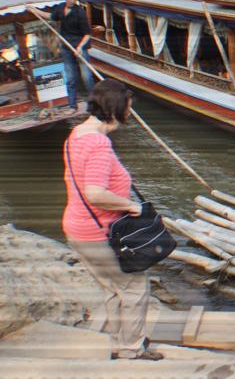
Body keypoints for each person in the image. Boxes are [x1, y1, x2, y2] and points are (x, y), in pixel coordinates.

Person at [61, 79, 162, 361]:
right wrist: (130, 205)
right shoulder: (98, 144)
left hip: (76, 228)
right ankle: (132, 348)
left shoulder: (76, 136)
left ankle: (121, 342)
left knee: (112, 289)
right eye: (128, 106)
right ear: (116, 107)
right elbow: (94, 192)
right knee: (134, 287)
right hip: (99, 233)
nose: (129, 112)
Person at [28, 0, 95, 114]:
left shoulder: (80, 12)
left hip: (80, 48)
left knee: (87, 78)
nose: (73, 1)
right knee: (70, 78)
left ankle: (95, 104)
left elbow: (87, 34)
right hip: (66, 48)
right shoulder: (60, 9)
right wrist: (35, 10)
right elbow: (50, 16)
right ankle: (72, 106)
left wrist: (80, 47)